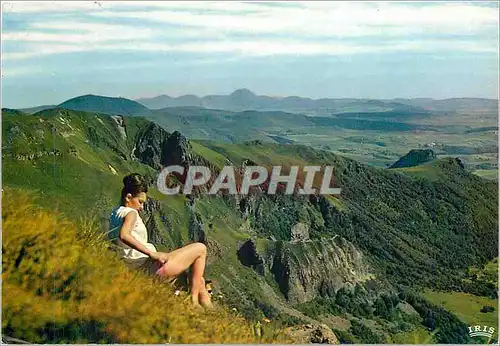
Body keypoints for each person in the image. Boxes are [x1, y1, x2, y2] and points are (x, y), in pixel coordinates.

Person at [108, 173, 213, 309]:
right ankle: (193, 301)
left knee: (198, 280)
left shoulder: (114, 213)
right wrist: (152, 254)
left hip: (138, 270)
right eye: (140, 202)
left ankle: (210, 310)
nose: (141, 207)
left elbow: (117, 240)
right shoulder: (131, 213)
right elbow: (124, 235)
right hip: (151, 268)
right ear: (128, 197)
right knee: (200, 249)